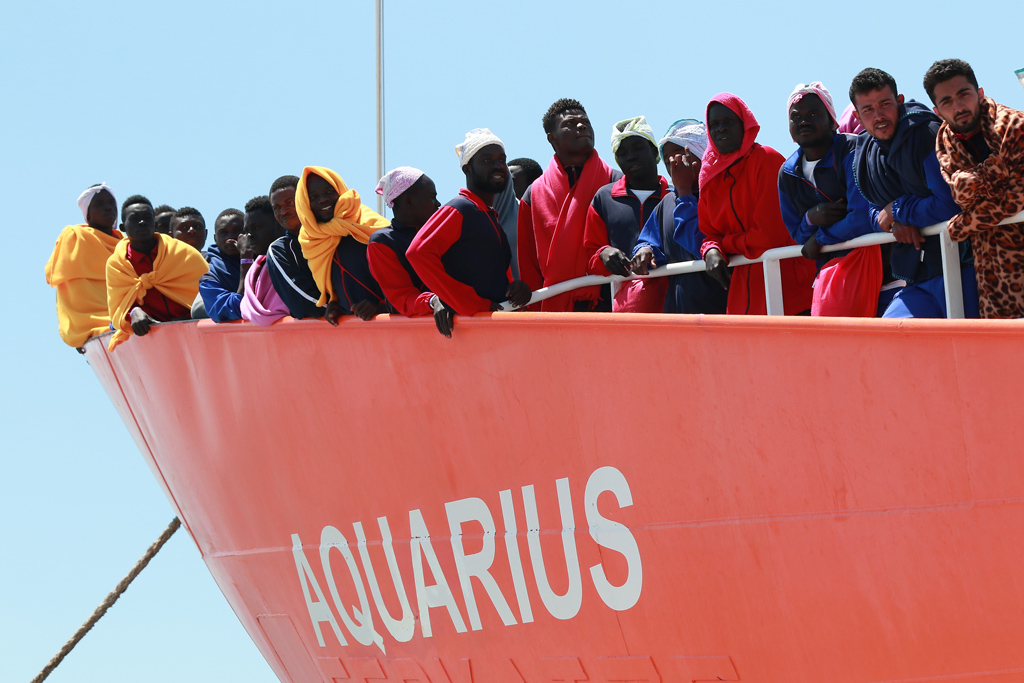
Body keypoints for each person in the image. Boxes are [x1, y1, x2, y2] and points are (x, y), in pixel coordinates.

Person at [850, 67, 979, 319]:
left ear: (899, 101)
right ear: (857, 115)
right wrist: (895, 223)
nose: (878, 115)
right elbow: (871, 212)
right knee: (890, 343)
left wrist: (899, 210)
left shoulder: (925, 133)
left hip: (964, 266)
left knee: (975, 352)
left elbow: (951, 204)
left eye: (885, 104)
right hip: (918, 276)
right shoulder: (866, 153)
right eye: (868, 109)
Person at [699, 94, 816, 315]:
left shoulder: (767, 159)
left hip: (789, 293)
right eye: (714, 124)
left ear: (744, 124)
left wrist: (725, 244)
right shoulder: (710, 177)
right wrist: (712, 250)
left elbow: (766, 238)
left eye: (728, 122)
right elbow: (708, 233)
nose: (721, 128)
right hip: (743, 298)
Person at [927, 58, 1024, 319]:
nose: (958, 107)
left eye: (964, 94)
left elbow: (1016, 198)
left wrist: (960, 227)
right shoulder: (944, 142)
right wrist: (995, 173)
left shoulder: (1014, 125)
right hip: (992, 274)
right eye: (946, 101)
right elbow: (960, 196)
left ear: (980, 93)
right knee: (1003, 353)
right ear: (937, 111)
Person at [407, 128, 531, 329]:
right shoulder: (461, 208)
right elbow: (418, 253)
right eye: (487, 161)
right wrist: (465, 302)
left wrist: (516, 288)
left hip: (492, 328)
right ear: (467, 169)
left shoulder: (487, 214)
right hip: (472, 329)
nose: (498, 166)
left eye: (501, 160)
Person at [778, 82, 882, 317]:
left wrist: (820, 239)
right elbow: (797, 234)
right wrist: (811, 218)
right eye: (796, 116)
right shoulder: (787, 172)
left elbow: (861, 218)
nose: (804, 121)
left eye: (814, 114)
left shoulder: (852, 149)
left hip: (876, 268)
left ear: (832, 120)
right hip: (827, 275)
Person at [517, 98, 622, 311]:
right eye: (570, 124)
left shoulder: (617, 180)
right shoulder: (533, 193)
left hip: (609, 298)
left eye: (585, 122)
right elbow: (528, 262)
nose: (581, 126)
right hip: (555, 304)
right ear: (551, 138)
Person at [630, 120, 728, 314]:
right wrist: (645, 250)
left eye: (680, 158)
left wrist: (685, 193)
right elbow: (649, 240)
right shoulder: (666, 204)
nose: (673, 166)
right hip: (678, 317)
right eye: (668, 161)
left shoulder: (721, 194)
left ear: (701, 153)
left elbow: (698, 246)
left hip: (719, 310)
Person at [582, 116, 670, 312]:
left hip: (672, 305)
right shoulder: (604, 198)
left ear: (655, 151)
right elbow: (590, 259)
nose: (630, 156)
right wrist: (603, 254)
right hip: (624, 309)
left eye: (638, 147)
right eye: (621, 153)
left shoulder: (673, 197)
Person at [105, 195, 208, 350]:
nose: (142, 222)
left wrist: (189, 317)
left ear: (155, 223)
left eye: (147, 217)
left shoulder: (184, 253)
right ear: (122, 227)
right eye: (134, 219)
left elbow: (211, 294)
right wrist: (133, 313)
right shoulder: (116, 265)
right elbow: (118, 309)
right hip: (151, 346)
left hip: (197, 337)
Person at [367, 167, 457, 335]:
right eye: (432, 197)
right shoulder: (382, 242)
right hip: (414, 337)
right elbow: (402, 298)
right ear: (408, 201)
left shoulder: (444, 231)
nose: (438, 204)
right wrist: (433, 301)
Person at [294, 166, 388, 325]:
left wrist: (382, 306)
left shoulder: (369, 225)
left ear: (340, 191)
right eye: (313, 196)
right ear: (305, 204)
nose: (323, 199)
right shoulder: (310, 240)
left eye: (329, 192)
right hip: (354, 336)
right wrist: (337, 304)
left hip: (391, 323)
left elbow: (407, 274)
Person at [45, 183, 124, 348]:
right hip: (94, 323)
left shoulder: (125, 243)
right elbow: (69, 288)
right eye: (99, 204)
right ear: (88, 213)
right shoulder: (74, 236)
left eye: (111, 203)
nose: (107, 207)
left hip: (125, 315)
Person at [266, 175, 327, 320]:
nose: (283, 211)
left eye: (290, 202)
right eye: (277, 207)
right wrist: (345, 312)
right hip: (327, 332)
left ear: (304, 199)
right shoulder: (280, 250)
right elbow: (304, 305)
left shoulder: (336, 232)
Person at [239, 195, 289, 326]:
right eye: (247, 231)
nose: (250, 235)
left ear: (278, 224)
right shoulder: (256, 268)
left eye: (256, 228)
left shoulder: (295, 258)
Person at [195, 208, 245, 322]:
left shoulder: (265, 261)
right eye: (223, 233)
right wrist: (246, 261)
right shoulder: (209, 279)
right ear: (215, 239)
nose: (230, 238)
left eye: (237, 231)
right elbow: (233, 309)